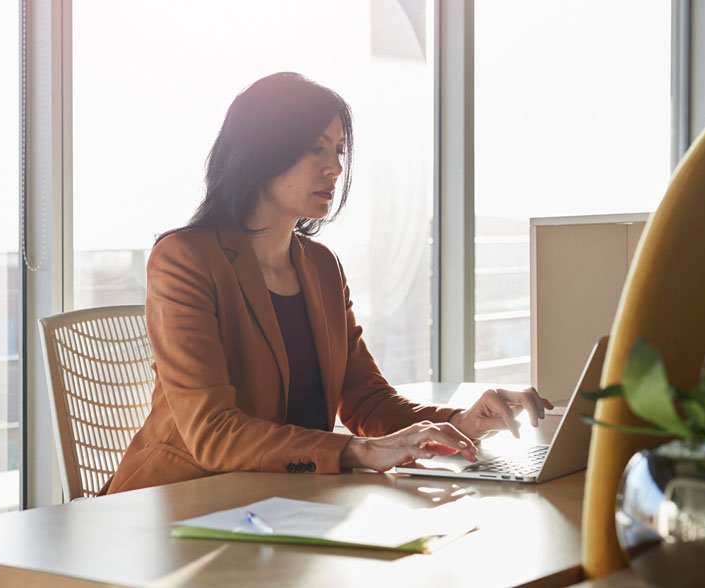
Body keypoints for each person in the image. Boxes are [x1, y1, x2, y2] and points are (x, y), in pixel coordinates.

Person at [100, 72, 552, 495]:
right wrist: (359, 452)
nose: (335, 168)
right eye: (316, 148)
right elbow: (213, 433)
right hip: (182, 499)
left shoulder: (320, 266)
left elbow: (367, 401)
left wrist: (466, 421)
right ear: (262, 152)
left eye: (338, 149)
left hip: (286, 500)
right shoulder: (186, 259)